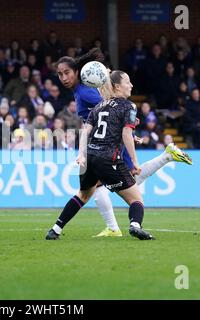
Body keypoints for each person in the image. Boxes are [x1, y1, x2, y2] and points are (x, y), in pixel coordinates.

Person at [49, 49, 192, 238]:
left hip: (105, 144)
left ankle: (111, 227)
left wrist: (127, 124)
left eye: (67, 72)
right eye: (60, 74)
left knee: (126, 179)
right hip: (104, 141)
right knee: (106, 186)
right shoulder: (82, 90)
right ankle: (113, 227)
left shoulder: (84, 92)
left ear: (78, 72)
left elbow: (108, 105)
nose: (63, 77)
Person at [46, 70, 155, 241]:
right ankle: (135, 226)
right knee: (136, 199)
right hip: (108, 158)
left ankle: (55, 229)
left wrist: (81, 155)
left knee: (83, 195)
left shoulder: (99, 106)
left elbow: (85, 132)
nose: (131, 85)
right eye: (128, 82)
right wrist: (134, 161)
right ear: (117, 86)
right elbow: (127, 134)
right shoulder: (129, 106)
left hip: (89, 157)